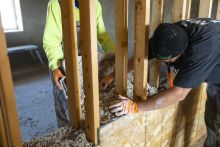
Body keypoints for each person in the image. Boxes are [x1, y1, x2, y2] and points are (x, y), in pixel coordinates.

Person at [109, 18, 220, 146]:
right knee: (213, 116)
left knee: (217, 126)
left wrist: (135, 107)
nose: (165, 63)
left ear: (184, 52)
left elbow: (179, 94)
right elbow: (139, 56)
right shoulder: (166, 37)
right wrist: (112, 76)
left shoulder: (201, 51)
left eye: (170, 60)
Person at [43, 0, 115, 127]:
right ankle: (65, 132)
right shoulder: (57, 4)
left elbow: (102, 34)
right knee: (65, 105)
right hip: (62, 64)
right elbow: (51, 40)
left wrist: (115, 55)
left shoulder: (95, 4)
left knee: (86, 101)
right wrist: (55, 66)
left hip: (86, 61)